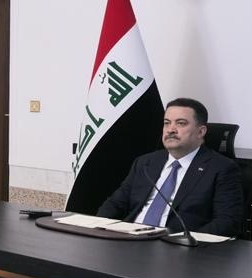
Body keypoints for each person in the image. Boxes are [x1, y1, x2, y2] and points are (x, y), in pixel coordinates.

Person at [97, 98, 244, 236]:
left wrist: (186, 242)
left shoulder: (221, 168)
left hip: (178, 245)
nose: (170, 129)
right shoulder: (146, 162)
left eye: (181, 123)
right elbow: (115, 204)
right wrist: (97, 228)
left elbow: (227, 222)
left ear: (200, 132)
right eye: (167, 123)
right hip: (129, 238)